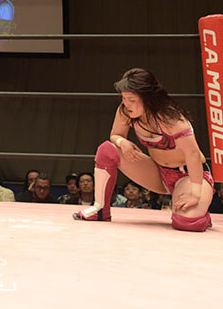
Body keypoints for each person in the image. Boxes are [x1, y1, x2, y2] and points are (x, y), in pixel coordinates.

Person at [73, 68, 214, 231]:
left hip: (189, 175)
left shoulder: (171, 117)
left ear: (148, 98)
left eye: (131, 99)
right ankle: (100, 209)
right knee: (107, 149)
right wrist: (122, 142)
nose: (126, 103)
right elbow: (115, 135)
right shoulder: (125, 110)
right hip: (158, 173)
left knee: (187, 222)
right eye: (124, 98)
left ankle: (202, 209)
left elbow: (193, 154)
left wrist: (195, 192)